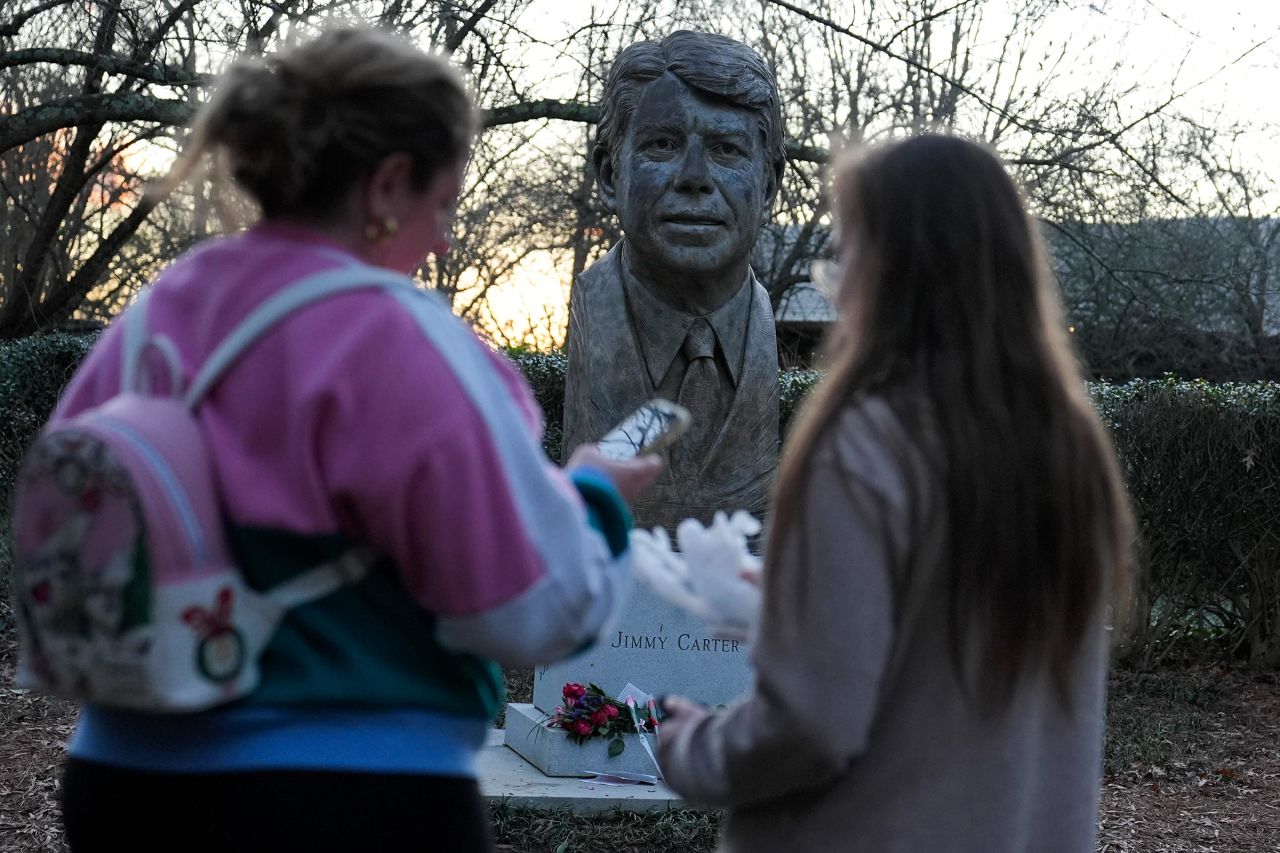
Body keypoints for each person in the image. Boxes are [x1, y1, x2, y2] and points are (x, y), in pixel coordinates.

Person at [53, 26, 660, 853]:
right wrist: (592, 500)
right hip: (344, 796)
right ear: (388, 185)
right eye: (443, 205)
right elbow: (528, 614)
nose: (445, 239)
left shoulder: (152, 317)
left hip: (122, 783)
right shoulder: (404, 340)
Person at [655, 134, 1135, 852]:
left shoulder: (864, 443)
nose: (836, 285)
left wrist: (691, 746)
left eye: (845, 255)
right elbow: (951, 661)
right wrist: (794, 610)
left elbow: (816, 722)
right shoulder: (1070, 450)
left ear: (893, 270)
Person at [561, 30, 783, 533]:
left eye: (727, 149)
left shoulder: (763, 329)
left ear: (768, 187)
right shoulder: (594, 311)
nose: (695, 176)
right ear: (610, 175)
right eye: (663, 144)